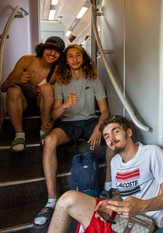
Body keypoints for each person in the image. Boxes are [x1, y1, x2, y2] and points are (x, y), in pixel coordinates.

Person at [47, 115, 163, 233]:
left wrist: (141, 206)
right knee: (67, 199)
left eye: (116, 131)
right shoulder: (115, 162)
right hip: (120, 221)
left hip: (144, 225)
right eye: (107, 136)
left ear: (129, 132)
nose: (112, 138)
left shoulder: (151, 153)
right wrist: (110, 204)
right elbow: (118, 194)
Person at [33, 44, 110, 229]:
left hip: (90, 121)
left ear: (83, 58)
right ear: (66, 61)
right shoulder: (60, 83)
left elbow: (105, 111)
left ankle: (108, 188)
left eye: (78, 55)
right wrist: (66, 104)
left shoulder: (94, 80)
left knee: (112, 138)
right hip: (69, 123)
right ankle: (52, 200)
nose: (75, 59)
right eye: (70, 56)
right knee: (50, 140)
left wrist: (99, 128)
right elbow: (53, 116)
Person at [0, 36, 65, 152]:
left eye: (57, 51)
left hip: (43, 105)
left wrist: (53, 121)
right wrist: (16, 79)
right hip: (22, 104)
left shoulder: (58, 70)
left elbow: (60, 97)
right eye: (50, 48)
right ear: (43, 48)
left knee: (47, 88)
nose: (52, 53)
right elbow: (3, 87)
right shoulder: (26, 60)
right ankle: (19, 135)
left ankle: (44, 131)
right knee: (12, 90)